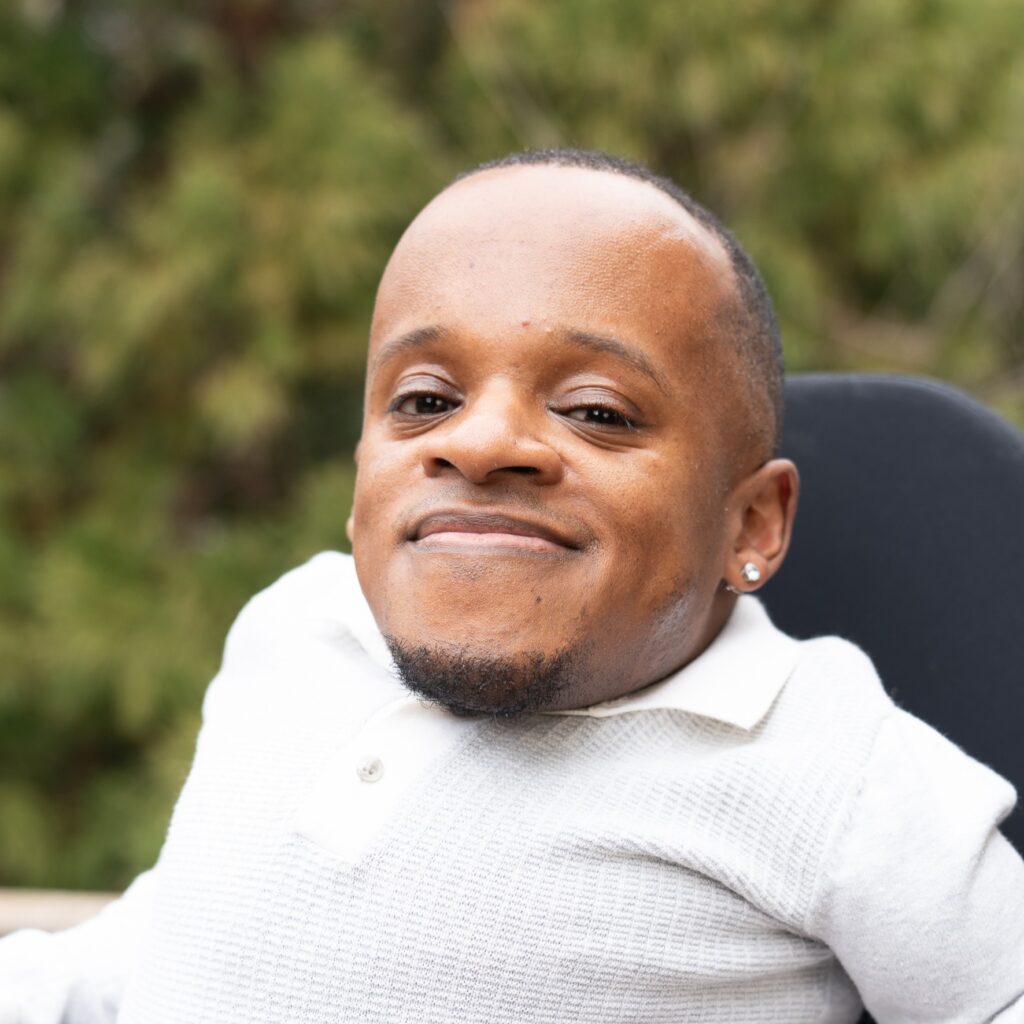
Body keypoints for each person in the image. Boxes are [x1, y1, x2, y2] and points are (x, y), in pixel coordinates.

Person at [2, 149, 1022, 1023]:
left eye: (596, 410)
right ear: (360, 473)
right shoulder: (292, 632)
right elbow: (172, 938)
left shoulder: (833, 769)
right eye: (425, 398)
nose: (482, 440)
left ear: (748, 523)